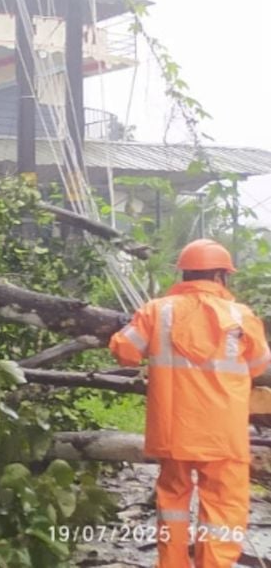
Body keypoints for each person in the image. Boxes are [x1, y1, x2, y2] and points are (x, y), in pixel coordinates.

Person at [109, 239, 271, 568]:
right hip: (223, 435)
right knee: (223, 507)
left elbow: (124, 351)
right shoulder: (241, 316)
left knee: (172, 503)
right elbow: (259, 365)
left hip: (173, 432)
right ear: (221, 276)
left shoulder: (157, 311)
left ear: (184, 274)